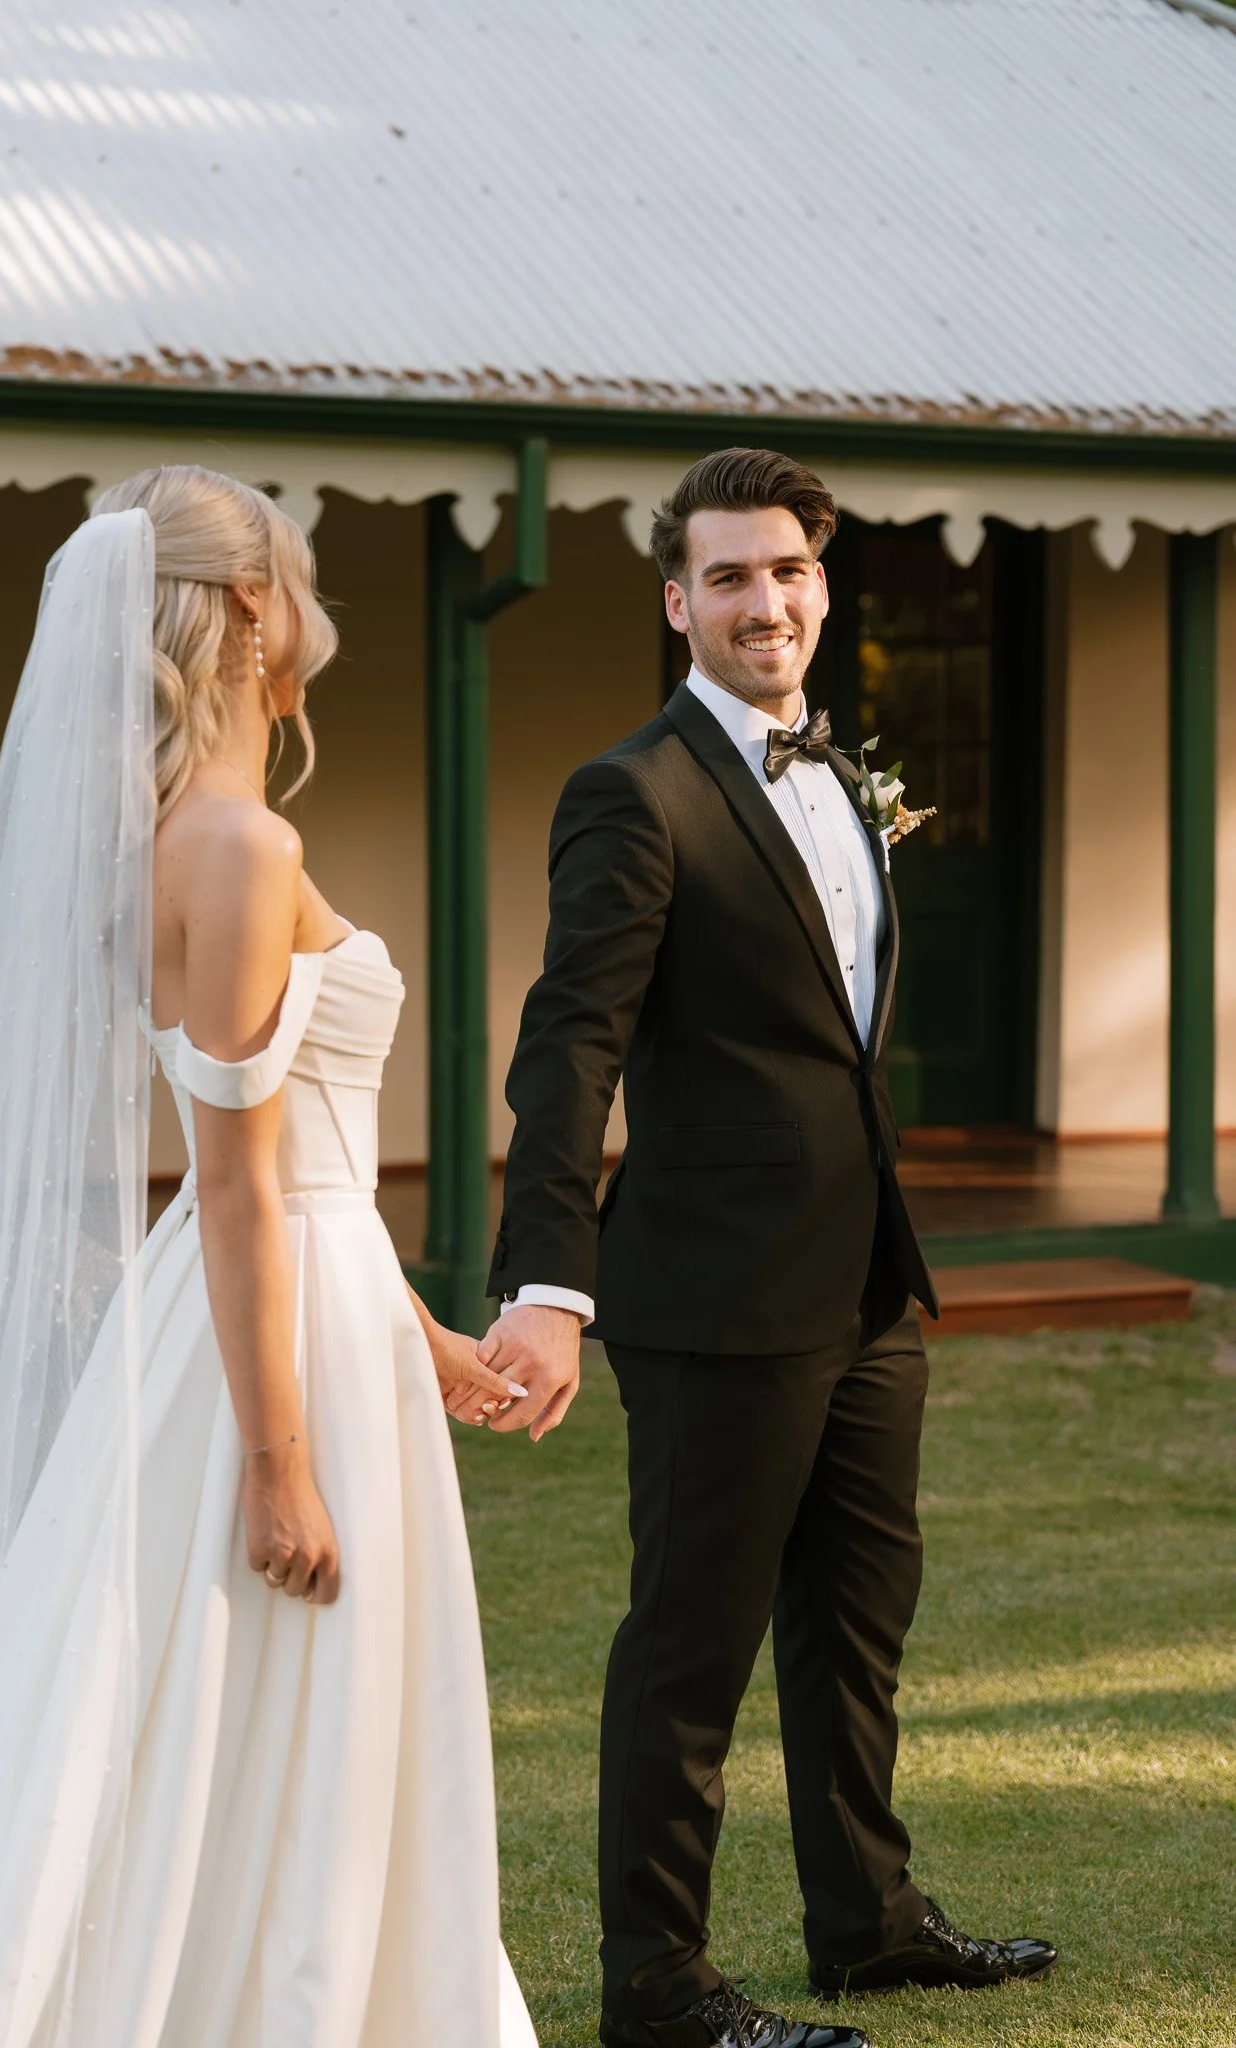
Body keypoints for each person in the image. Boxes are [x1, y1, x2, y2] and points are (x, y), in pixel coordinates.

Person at [0, 466, 538, 2048]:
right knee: (263, 1710)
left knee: (257, 1723)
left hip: (311, 1304)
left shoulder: (199, 832)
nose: (313, 610)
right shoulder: (233, 843)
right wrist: (278, 1464)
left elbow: (291, 1170)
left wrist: (417, 1336)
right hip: (265, 1345)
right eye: (296, 579)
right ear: (250, 606)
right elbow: (240, 1183)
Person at [477, 449, 1056, 2048]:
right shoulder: (633, 793)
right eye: (727, 577)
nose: (765, 601)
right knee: (689, 1653)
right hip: (713, 1299)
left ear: (822, 583)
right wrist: (545, 1286)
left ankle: (865, 1923)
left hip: (868, 1281)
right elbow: (568, 1047)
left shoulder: (840, 778)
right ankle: (658, 1991)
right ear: (678, 605)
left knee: (860, 1617)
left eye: (787, 570)